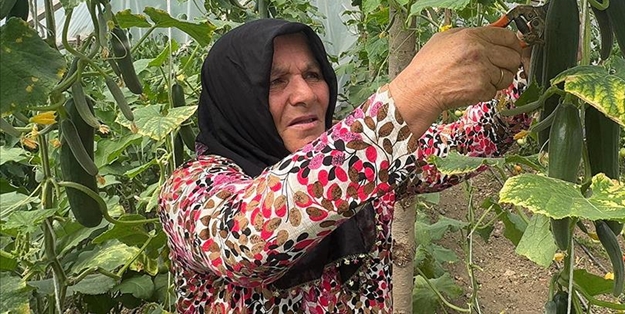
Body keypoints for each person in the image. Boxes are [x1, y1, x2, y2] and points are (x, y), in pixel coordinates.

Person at [158, 18, 531, 313]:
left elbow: (467, 142)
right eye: (275, 81)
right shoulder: (190, 190)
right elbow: (248, 240)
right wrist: (415, 94)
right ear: (236, 98)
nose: (305, 95)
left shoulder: (362, 161)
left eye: (313, 75)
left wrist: (530, 69)